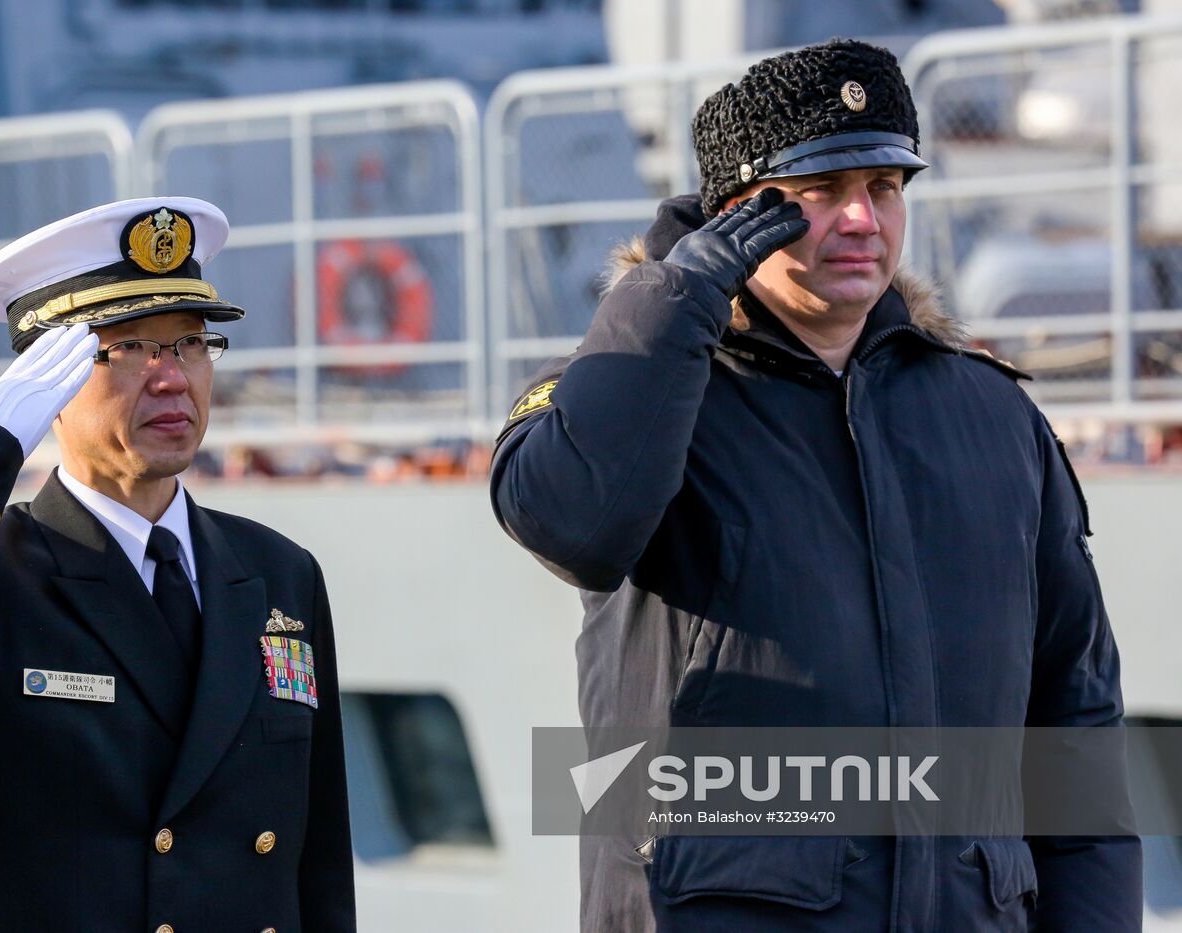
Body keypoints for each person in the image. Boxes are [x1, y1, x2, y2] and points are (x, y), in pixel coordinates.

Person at [489, 39, 1141, 932]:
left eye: (884, 188)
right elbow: (570, 523)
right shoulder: (641, 394)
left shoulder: (994, 417)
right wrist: (674, 297)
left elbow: (1075, 719)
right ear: (734, 216)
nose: (863, 219)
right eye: (821, 191)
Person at [0, 198, 355, 933]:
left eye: (190, 343)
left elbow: (319, 870)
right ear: (50, 381)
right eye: (127, 347)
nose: (171, 378)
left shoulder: (278, 573)